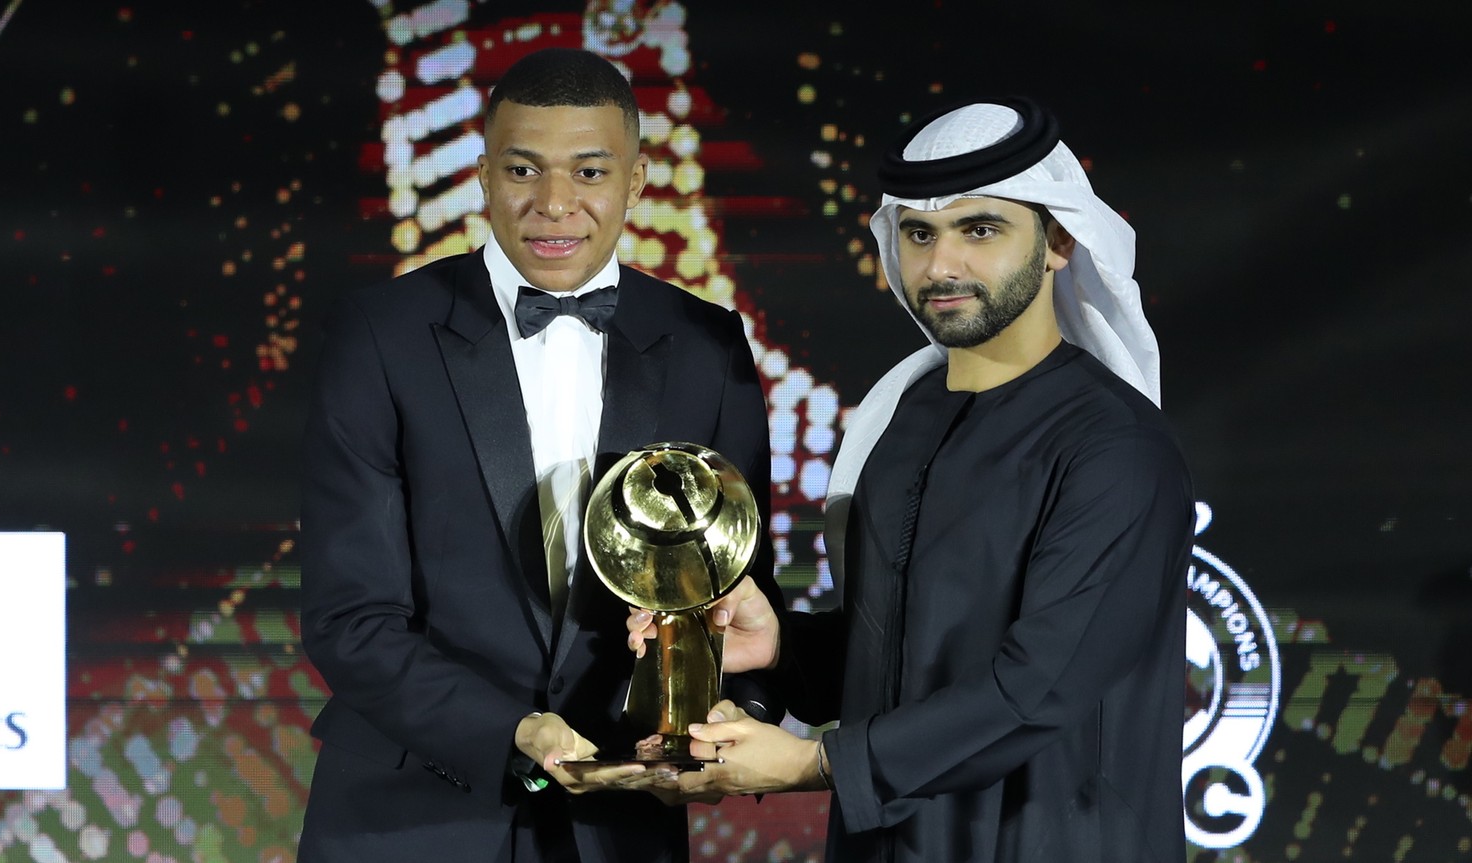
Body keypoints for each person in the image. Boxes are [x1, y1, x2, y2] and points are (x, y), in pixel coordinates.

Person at [633, 97, 1194, 862]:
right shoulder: (900, 421)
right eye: (920, 233)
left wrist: (813, 761)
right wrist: (780, 646)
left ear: (1060, 239)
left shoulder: (1115, 446)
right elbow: (901, 644)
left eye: (981, 229)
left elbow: (1037, 689)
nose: (941, 265)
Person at [298, 47, 772, 862]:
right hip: (410, 816)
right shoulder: (380, 335)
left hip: (622, 825)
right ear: (482, 175)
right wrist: (511, 731)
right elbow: (349, 618)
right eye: (523, 170)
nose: (555, 205)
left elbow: (736, 587)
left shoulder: (706, 345)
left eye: (590, 173)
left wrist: (735, 719)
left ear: (638, 177)